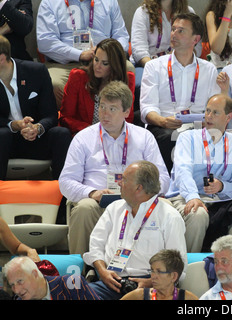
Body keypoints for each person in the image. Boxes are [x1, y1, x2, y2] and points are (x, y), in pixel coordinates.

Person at [59, 81, 169, 255]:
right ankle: (81, 271)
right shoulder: (83, 138)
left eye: (112, 109)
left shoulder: (144, 137)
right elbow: (65, 181)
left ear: (126, 112)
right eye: (102, 107)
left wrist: (143, 194)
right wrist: (92, 193)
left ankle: (157, 272)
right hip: (97, 202)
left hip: (137, 201)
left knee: (166, 205)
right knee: (84, 209)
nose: (104, 114)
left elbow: (162, 178)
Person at [84, 160, 187, 300]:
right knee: (81, 294)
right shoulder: (114, 208)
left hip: (150, 285)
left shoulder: (170, 217)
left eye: (124, 180)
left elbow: (179, 267)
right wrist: (102, 271)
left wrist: (150, 282)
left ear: (138, 188)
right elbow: (96, 245)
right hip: (110, 281)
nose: (119, 183)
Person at [166, 93, 232, 253]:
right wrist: (193, 197)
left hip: (219, 200)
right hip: (184, 197)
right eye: (207, 111)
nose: (209, 116)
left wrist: (222, 186)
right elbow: (183, 172)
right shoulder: (187, 137)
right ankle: (188, 269)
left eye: (215, 112)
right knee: (198, 213)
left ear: (228, 117)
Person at [140, 12, 220, 173]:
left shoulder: (209, 69)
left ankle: (206, 188)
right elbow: (147, 109)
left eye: (181, 31)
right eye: (173, 29)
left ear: (195, 39)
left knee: (217, 137)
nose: (174, 34)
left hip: (198, 127)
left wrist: (207, 122)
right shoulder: (154, 66)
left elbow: (214, 108)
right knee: (171, 138)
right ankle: (169, 187)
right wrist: (162, 121)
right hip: (163, 127)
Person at [35, 0, 131, 108]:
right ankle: (68, 119)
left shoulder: (109, 2)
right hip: (64, 64)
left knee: (128, 69)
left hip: (105, 60)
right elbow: (45, 42)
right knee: (54, 83)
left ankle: (116, 119)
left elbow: (121, 35)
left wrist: (108, 52)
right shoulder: (50, 2)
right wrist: (80, 54)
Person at [0, 35, 72, 180]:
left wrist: (37, 128)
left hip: (35, 138)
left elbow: (51, 114)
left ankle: (63, 196)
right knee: (2, 135)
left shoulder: (36, 71)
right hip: (5, 141)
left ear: (2, 57)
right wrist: (14, 125)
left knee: (61, 134)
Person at [60, 38, 135, 136]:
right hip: (83, 134)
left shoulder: (128, 79)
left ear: (115, 65)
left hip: (114, 135)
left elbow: (127, 117)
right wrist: (91, 130)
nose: (97, 66)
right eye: (96, 60)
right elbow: (65, 117)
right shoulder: (78, 76)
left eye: (105, 63)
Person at [131, 0, 201, 68]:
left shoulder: (188, 12)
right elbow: (139, 50)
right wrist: (155, 68)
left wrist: (179, 57)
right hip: (147, 64)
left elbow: (196, 47)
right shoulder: (143, 12)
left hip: (179, 64)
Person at [4, 256, 100, 300]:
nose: (16, 290)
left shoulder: (72, 284)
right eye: (12, 285)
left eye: (20, 281)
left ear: (34, 274)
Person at [121, 249, 197, 300]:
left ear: (173, 276)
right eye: (152, 271)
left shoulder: (188, 298)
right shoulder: (138, 295)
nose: (153, 276)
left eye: (159, 272)